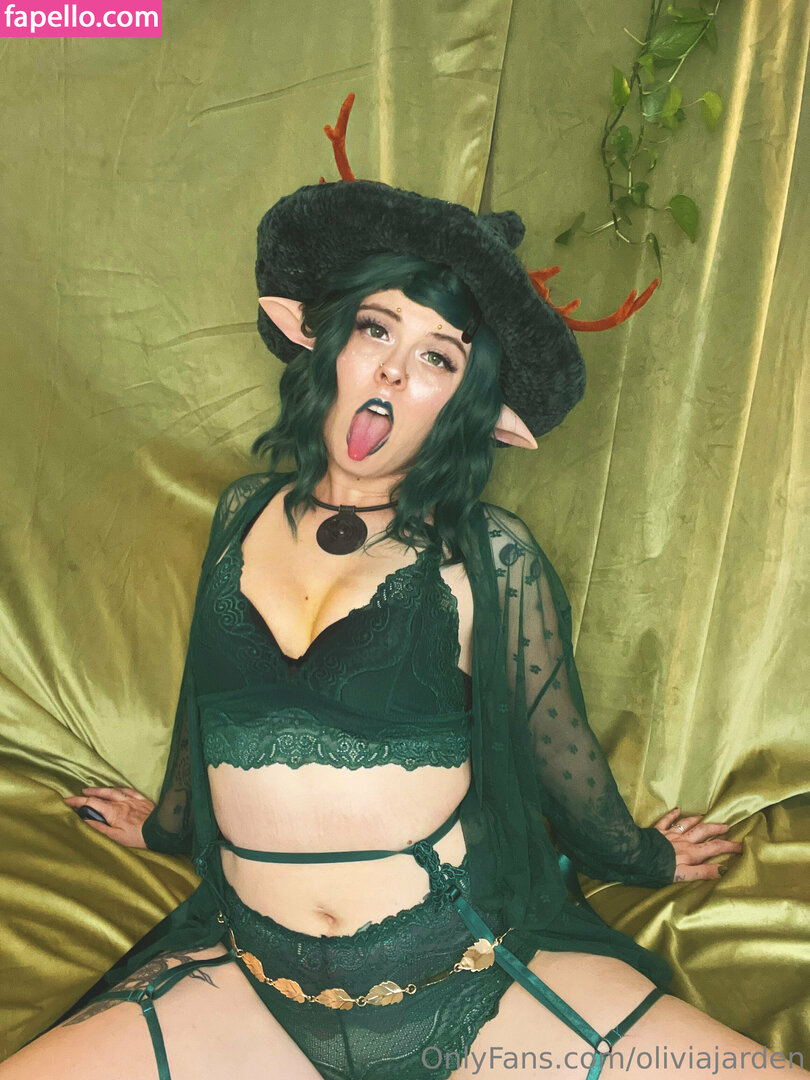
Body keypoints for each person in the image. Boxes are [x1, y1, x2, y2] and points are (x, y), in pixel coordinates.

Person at [1, 97, 803, 1080]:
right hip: (251, 984)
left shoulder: (489, 558)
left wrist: (644, 858)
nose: (391, 368)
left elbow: (560, 753)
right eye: (376, 328)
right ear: (321, 339)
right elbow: (205, 706)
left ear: (469, 405)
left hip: (468, 977)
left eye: (436, 357)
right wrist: (168, 828)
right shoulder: (242, 515)